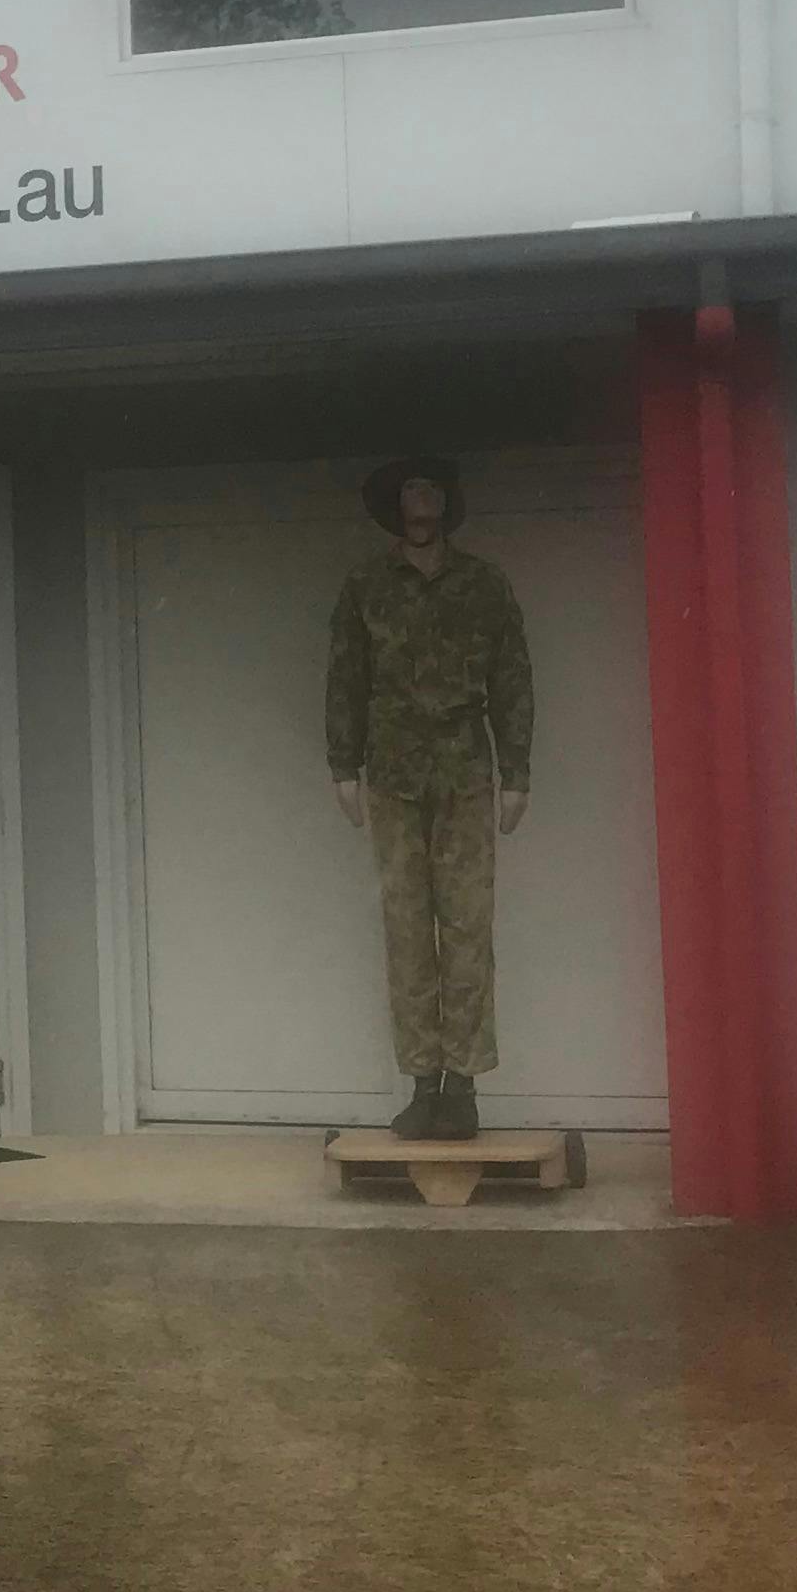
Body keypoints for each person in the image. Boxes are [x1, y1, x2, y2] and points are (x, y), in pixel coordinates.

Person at [324, 459, 532, 1143]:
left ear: (447, 502)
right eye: (411, 489)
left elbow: (511, 676)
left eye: (433, 488)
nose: (422, 500)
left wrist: (517, 771)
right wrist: (343, 764)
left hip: (465, 770)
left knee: (468, 925)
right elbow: (346, 675)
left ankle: (462, 1086)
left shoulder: (483, 583)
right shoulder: (366, 585)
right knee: (407, 927)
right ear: (395, 503)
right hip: (392, 773)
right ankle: (422, 1084)